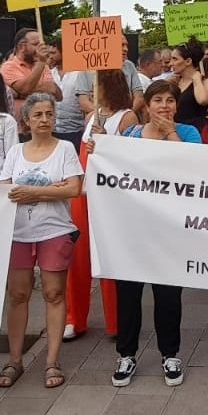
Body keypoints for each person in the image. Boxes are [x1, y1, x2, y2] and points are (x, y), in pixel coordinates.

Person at [107, 79, 198, 388]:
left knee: (168, 296)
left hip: (170, 230)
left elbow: (191, 167)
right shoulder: (131, 135)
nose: (164, 106)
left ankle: (170, 354)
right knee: (128, 295)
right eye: (157, 100)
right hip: (132, 229)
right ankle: (126, 354)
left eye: (170, 100)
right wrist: (99, 150)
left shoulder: (187, 134)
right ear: (146, 105)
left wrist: (170, 132)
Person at [0, 93, 84, 391]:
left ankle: (52, 360)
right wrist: (49, 190)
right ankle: (15, 359)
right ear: (27, 120)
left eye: (49, 114)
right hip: (19, 232)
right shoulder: (16, 152)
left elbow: (73, 188)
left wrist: (33, 192)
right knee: (18, 294)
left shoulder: (65, 149)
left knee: (53, 292)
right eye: (39, 115)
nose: (45, 120)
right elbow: (5, 189)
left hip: (54, 230)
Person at [64, 68, 136, 342]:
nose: (92, 91)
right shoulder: (91, 115)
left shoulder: (127, 117)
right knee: (77, 255)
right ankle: (75, 318)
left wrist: (104, 140)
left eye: (97, 85)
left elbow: (129, 157)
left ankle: (116, 321)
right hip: (83, 192)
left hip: (110, 194)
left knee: (108, 255)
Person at [168, 41, 208, 135]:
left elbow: (202, 100)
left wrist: (197, 79)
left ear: (188, 61)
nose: (171, 63)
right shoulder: (175, 82)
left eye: (175, 59)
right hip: (173, 131)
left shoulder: (206, 82)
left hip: (195, 133)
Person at [0, 28, 61, 102]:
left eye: (42, 44)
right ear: (21, 47)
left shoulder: (44, 67)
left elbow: (55, 92)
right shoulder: (8, 67)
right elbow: (25, 89)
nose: (41, 48)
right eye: (35, 44)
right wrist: (41, 62)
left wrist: (22, 95)